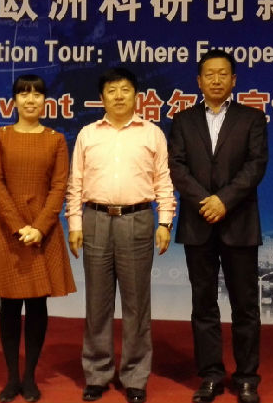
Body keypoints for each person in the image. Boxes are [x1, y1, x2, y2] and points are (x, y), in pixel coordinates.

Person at [66, 67, 175, 403]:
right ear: (102, 98)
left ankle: (135, 377)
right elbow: (75, 184)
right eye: (111, 91)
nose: (118, 96)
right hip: (95, 220)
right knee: (97, 303)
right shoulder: (88, 134)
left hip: (137, 219)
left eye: (125, 89)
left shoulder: (152, 133)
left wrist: (165, 222)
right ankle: (97, 373)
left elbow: (163, 181)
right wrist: (74, 225)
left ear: (136, 96)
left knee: (136, 304)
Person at [0, 74, 76, 403]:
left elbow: (59, 187)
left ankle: (30, 377)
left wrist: (39, 227)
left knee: (38, 303)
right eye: (24, 94)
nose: (31, 99)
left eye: (37, 94)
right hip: (7, 229)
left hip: (43, 229)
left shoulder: (56, 139)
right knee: (10, 304)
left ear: (45, 101)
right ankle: (12, 377)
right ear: (13, 101)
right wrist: (19, 227)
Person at [168, 50, 269, 403]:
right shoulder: (182, 120)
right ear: (198, 81)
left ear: (233, 80)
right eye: (209, 74)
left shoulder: (252, 118)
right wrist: (205, 201)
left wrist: (224, 200)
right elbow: (177, 167)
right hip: (198, 223)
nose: (215, 79)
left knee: (245, 306)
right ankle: (210, 375)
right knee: (203, 305)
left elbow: (256, 166)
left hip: (239, 222)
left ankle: (247, 378)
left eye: (222, 73)